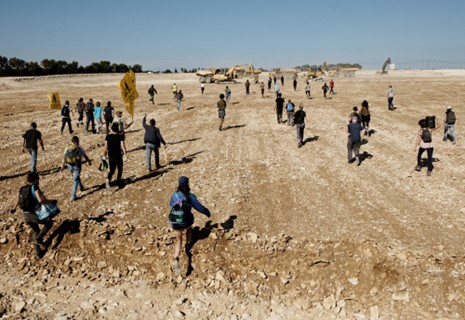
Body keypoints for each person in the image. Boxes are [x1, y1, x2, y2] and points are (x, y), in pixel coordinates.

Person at [169, 176, 211, 274]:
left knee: (178, 240)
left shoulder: (174, 195)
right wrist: (207, 212)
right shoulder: (190, 196)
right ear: (187, 184)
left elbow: (171, 205)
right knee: (190, 227)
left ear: (179, 184)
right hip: (186, 221)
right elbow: (200, 208)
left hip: (175, 222)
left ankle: (176, 257)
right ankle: (188, 244)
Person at [14, 172, 58, 257]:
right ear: (34, 180)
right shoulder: (34, 187)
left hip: (25, 215)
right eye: (38, 179)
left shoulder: (22, 188)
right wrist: (52, 201)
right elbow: (41, 200)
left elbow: (18, 201)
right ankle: (39, 239)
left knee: (36, 230)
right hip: (33, 214)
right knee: (49, 223)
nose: (38, 181)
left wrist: (14, 209)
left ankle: (38, 253)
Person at [61, 136, 92, 201]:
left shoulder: (67, 148)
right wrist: (88, 161)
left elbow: (64, 158)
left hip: (69, 165)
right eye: (78, 141)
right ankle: (73, 196)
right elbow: (85, 156)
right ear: (77, 141)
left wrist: (62, 166)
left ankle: (81, 187)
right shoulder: (79, 148)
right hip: (77, 165)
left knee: (76, 176)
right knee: (75, 179)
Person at [103, 123, 125, 188]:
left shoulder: (108, 137)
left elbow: (105, 147)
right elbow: (122, 146)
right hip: (118, 155)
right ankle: (118, 181)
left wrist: (104, 155)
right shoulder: (120, 137)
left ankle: (107, 180)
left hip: (111, 156)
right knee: (120, 169)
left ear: (111, 129)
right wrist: (125, 154)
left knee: (112, 170)